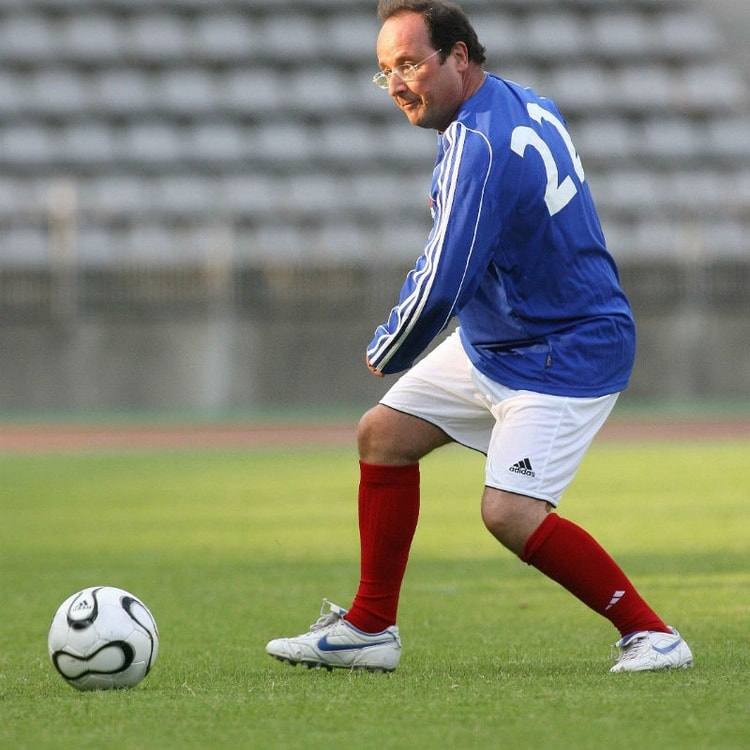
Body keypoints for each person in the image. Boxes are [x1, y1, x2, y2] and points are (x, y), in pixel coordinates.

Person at [266, 0, 693, 674]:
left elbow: (445, 277)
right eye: (386, 72)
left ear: (459, 56)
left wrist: (391, 345)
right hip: (502, 337)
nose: (398, 83)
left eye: (409, 63)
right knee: (383, 436)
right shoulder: (515, 103)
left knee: (509, 512)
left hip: (563, 350)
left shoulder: (478, 143)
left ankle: (654, 635)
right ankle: (371, 627)